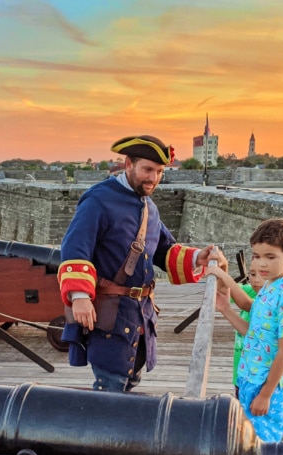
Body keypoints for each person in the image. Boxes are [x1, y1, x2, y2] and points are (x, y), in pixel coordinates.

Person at [58, 134, 226, 392]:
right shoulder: (98, 200)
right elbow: (75, 248)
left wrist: (197, 257)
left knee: (130, 384)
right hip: (110, 315)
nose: (153, 178)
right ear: (128, 164)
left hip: (140, 316)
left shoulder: (149, 206)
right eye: (147, 169)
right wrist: (80, 297)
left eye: (159, 172)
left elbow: (162, 249)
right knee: (110, 388)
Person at [211, 219, 283, 442]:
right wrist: (225, 309)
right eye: (256, 256)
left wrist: (265, 394)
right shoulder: (269, 286)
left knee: (266, 445)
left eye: (270, 257)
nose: (262, 264)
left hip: (268, 384)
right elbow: (253, 332)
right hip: (250, 378)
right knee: (249, 442)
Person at [207, 259, 263, 396]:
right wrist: (224, 265)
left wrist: (222, 273)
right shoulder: (252, 291)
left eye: (263, 274)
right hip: (242, 372)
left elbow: (246, 303)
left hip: (258, 375)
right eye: (253, 274)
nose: (256, 280)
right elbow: (223, 289)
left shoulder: (269, 300)